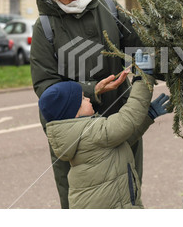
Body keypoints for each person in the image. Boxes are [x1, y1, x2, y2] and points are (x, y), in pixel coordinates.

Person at [31, 0, 145, 208]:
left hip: (120, 113)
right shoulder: (45, 27)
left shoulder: (108, 7)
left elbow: (140, 46)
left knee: (128, 190)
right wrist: (93, 89)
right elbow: (45, 85)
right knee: (83, 200)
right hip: (74, 129)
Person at [39, 75, 170, 208]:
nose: (89, 99)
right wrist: (142, 80)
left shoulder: (85, 133)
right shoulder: (91, 131)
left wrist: (148, 116)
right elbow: (128, 119)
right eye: (83, 98)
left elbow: (121, 140)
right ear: (75, 112)